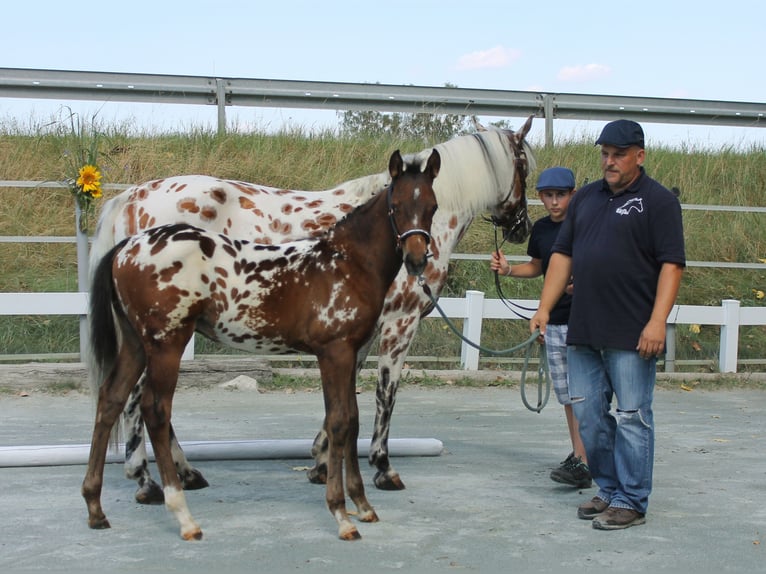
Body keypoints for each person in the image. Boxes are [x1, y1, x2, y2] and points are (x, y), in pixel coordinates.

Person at [530, 120, 685, 530]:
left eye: (618, 154)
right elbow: (562, 256)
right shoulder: (586, 200)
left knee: (633, 416)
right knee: (590, 418)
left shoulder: (658, 202)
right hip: (584, 330)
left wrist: (657, 322)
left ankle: (632, 500)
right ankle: (610, 489)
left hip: (633, 332)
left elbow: (671, 265)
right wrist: (545, 308)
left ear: (640, 155)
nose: (609, 161)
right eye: (604, 153)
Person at [490, 166, 591, 489]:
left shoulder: (586, 225)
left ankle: (586, 460)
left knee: (584, 394)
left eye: (560, 195)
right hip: (556, 318)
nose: (554, 202)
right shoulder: (544, 230)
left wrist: (586, 282)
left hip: (585, 318)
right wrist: (508, 270)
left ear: (573, 195)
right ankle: (579, 454)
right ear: (540, 197)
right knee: (566, 394)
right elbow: (537, 267)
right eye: (548, 196)